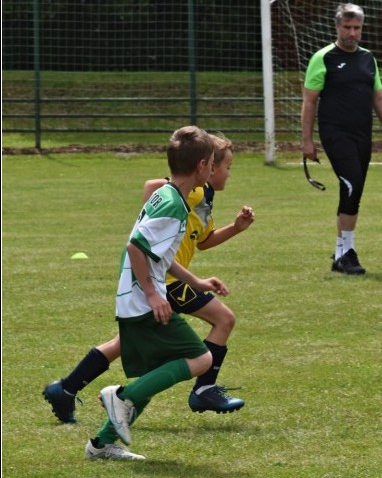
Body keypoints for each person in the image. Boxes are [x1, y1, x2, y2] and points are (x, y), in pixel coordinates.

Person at [44, 133, 254, 425]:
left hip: (167, 276)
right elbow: (154, 193)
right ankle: (201, 389)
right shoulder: (188, 191)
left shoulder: (204, 197)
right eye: (228, 167)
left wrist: (236, 228)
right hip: (165, 281)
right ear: (207, 167)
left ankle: (65, 388)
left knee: (123, 343)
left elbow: (203, 241)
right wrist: (152, 216)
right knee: (223, 321)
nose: (230, 173)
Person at [82, 125, 228, 460]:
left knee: (157, 370)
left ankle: (102, 445)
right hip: (140, 298)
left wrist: (198, 282)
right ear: (202, 167)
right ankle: (122, 396)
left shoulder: (166, 195)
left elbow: (159, 255)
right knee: (200, 358)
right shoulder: (175, 206)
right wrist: (152, 295)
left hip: (133, 294)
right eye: (211, 163)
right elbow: (136, 247)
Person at [301, 2, 382, 276]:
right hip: (335, 133)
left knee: (354, 190)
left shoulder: (368, 58)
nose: (352, 33)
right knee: (351, 183)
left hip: (362, 134)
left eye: (357, 27)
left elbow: (379, 97)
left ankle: (340, 254)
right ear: (337, 27)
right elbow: (309, 101)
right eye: (347, 27)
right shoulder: (323, 58)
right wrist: (307, 140)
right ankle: (347, 252)